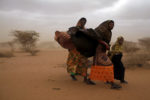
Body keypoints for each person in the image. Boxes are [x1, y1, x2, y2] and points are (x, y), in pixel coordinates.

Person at [87, 20, 122, 89]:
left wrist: (106, 45)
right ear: (107, 24)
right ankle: (112, 84)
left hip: (102, 51)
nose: (112, 26)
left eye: (113, 25)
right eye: (111, 24)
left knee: (97, 66)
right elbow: (97, 38)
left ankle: (89, 80)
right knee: (109, 65)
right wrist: (105, 44)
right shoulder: (103, 30)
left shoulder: (109, 32)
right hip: (99, 51)